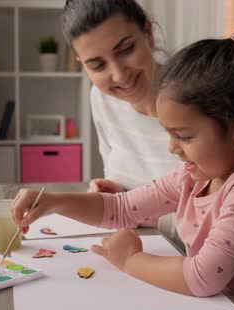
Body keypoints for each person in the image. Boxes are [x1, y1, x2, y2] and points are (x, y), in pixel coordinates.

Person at [13, 23, 234, 310]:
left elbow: (202, 276)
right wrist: (53, 202)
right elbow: (121, 209)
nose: (173, 148)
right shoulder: (194, 176)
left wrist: (130, 260)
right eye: (169, 134)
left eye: (183, 136)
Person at [62, 0, 181, 231]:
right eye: (97, 66)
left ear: (148, 34)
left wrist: (137, 214)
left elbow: (228, 215)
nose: (118, 75)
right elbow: (130, 189)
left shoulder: (197, 97)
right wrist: (117, 194)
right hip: (132, 245)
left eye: (126, 50)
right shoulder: (101, 98)